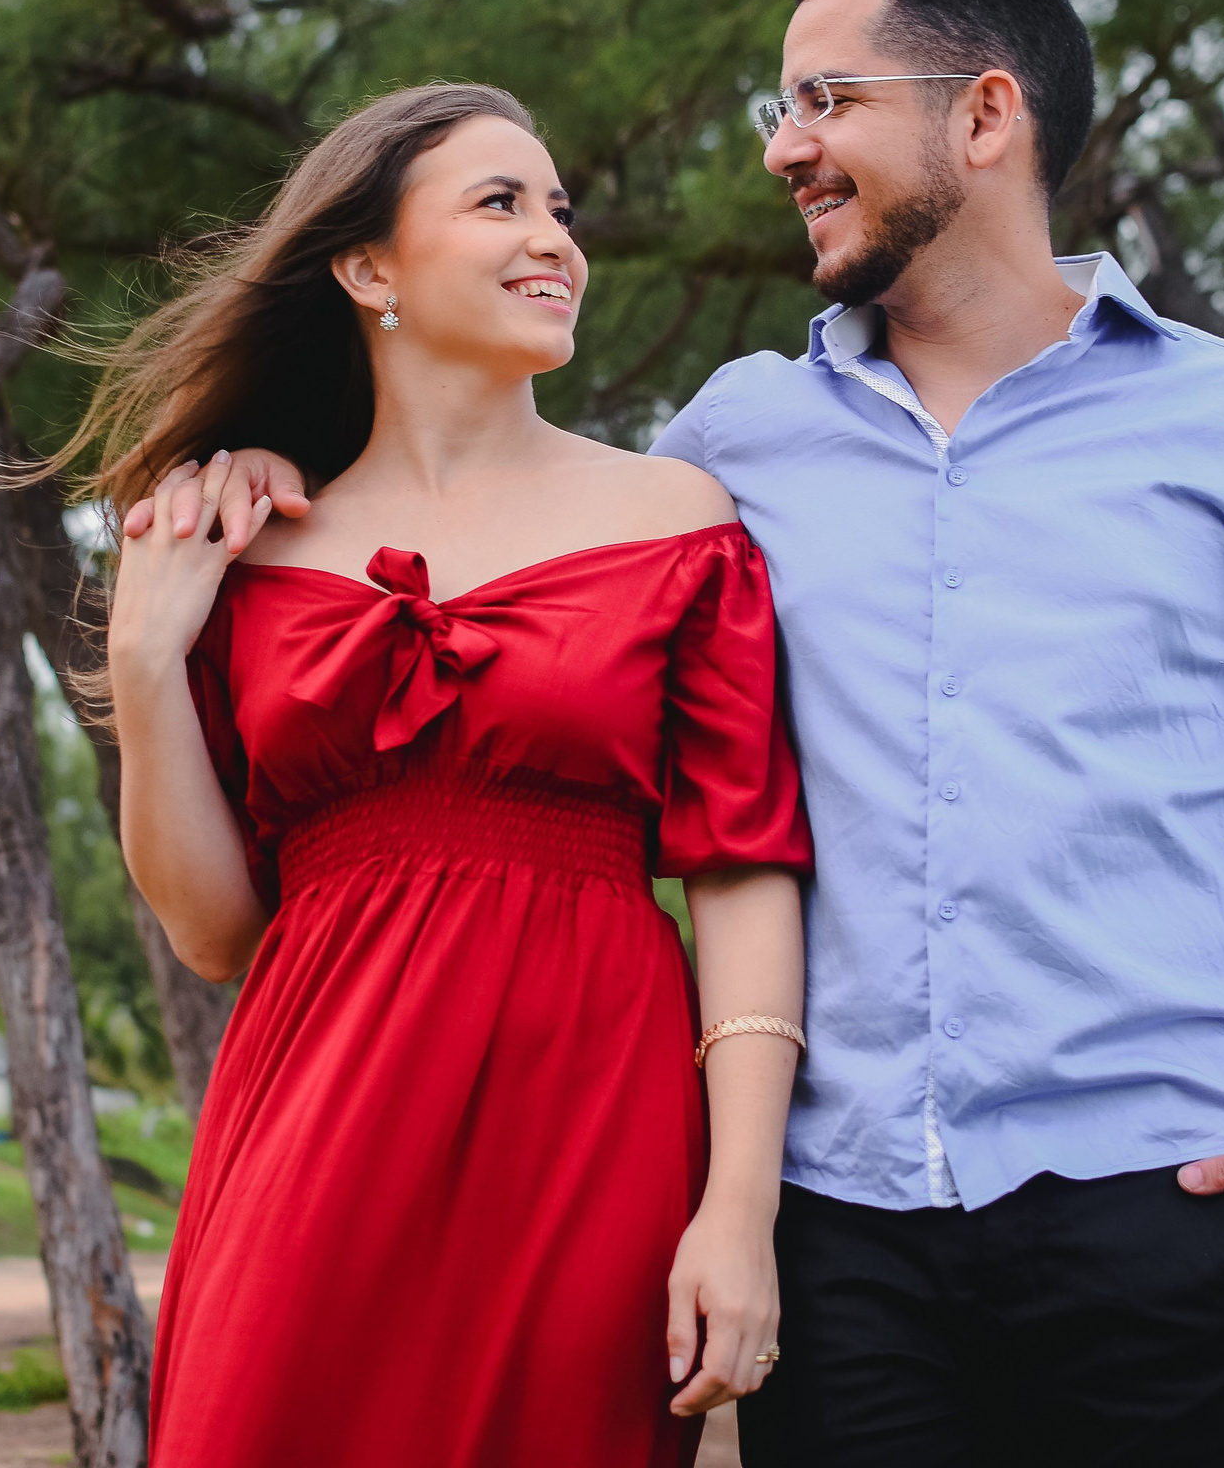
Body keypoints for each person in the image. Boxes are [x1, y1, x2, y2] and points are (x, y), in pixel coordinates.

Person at [172, 0, 1224, 1465]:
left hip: (1160, 1192)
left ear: (984, 116)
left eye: (824, 100)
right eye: (776, 109)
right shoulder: (730, 444)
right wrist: (263, 469)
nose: (785, 149)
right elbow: (495, 540)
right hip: (837, 1215)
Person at [91, 83, 816, 1468]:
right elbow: (213, 929)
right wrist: (144, 656)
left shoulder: (678, 521)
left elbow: (740, 873)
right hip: (312, 1119)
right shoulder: (237, 543)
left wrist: (740, 1205)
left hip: (592, 1117)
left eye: (560, 208)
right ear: (369, 269)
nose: (556, 239)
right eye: (502, 203)